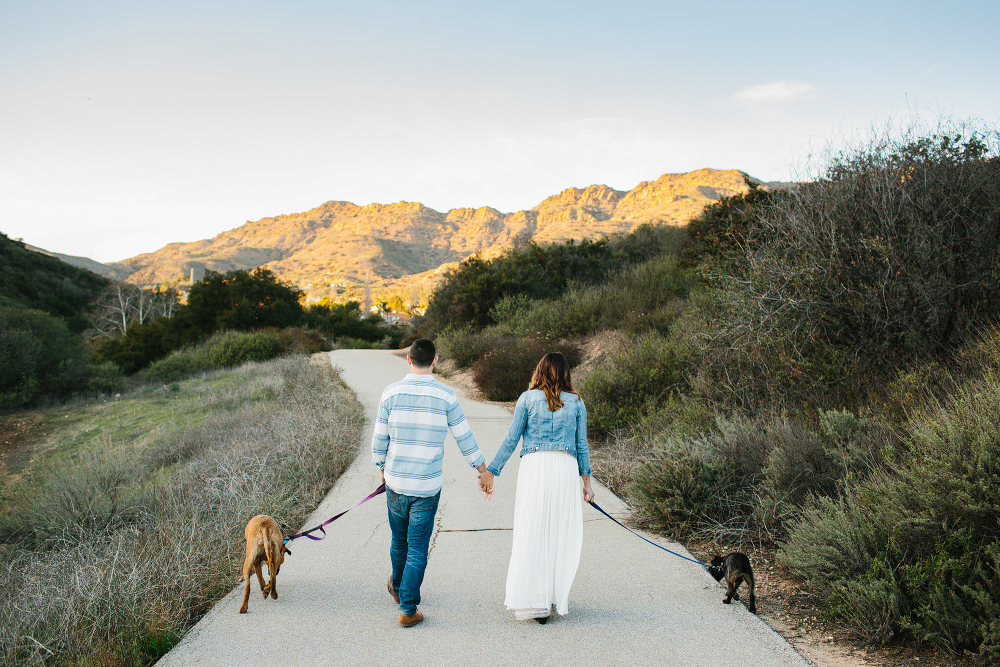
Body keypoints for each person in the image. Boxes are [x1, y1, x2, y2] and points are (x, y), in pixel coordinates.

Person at [371, 338, 495, 628]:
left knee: (398, 541)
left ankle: (400, 590)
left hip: (396, 483)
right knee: (416, 547)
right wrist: (483, 471)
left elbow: (379, 439)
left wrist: (381, 468)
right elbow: (465, 437)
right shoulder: (446, 396)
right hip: (426, 487)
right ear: (435, 360)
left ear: (409, 360)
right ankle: (407, 606)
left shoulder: (390, 393)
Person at [486, 351, 594, 624]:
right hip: (564, 470)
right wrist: (587, 483)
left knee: (533, 529)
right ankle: (552, 596)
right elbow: (582, 445)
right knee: (558, 532)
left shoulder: (527, 399)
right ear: (566, 373)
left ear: (540, 371)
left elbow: (512, 439)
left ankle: (537, 601)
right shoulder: (577, 403)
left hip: (534, 468)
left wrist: (491, 471)